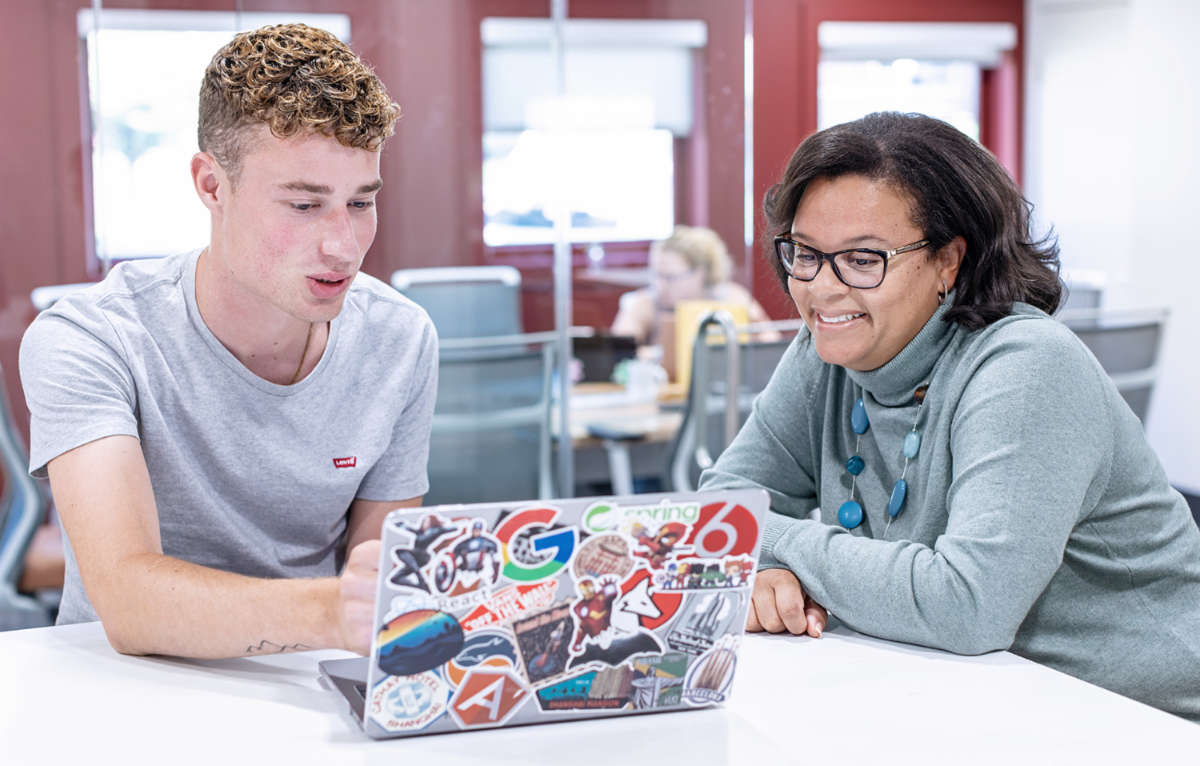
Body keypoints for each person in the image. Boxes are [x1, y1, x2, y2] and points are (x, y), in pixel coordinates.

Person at [699, 112, 1200, 722]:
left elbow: (967, 605)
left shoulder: (1027, 365)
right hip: (968, 697)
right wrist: (764, 570)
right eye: (805, 253)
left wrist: (775, 543)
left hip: (1136, 718)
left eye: (862, 259)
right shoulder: (823, 352)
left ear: (949, 261)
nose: (821, 288)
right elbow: (718, 511)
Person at [18, 24, 436, 660]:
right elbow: (128, 600)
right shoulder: (90, 338)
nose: (343, 247)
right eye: (303, 205)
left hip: (312, 688)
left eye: (359, 203)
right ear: (212, 186)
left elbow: (382, 582)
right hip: (123, 694)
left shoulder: (399, 338)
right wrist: (333, 610)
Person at [610, 225, 774, 348]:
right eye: (656, 275)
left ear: (699, 274)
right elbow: (616, 352)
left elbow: (772, 343)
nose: (660, 285)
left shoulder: (731, 298)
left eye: (670, 277)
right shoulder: (645, 304)